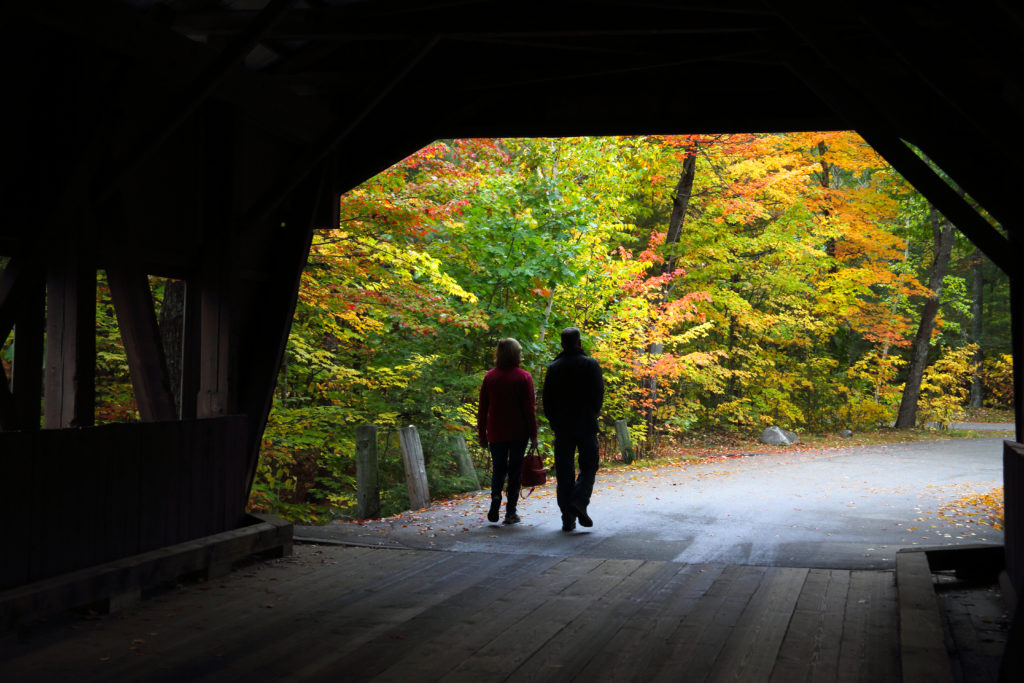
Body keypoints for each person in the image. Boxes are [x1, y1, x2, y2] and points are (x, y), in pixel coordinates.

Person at [543, 327, 604, 531]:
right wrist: (593, 413)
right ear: (579, 343)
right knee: (589, 466)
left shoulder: (554, 367)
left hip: (562, 426)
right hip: (586, 422)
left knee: (564, 471)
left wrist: (554, 421)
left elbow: (547, 400)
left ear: (562, 344)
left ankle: (567, 518)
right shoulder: (591, 365)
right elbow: (598, 394)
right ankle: (578, 501)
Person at [477, 338, 539, 525]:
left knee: (498, 469)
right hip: (518, 432)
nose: (521, 354)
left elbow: (483, 409)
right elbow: (529, 409)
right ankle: (510, 512)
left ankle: (496, 497)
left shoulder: (490, 377)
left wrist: (482, 434)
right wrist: (533, 434)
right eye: (519, 351)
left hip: (496, 431)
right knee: (515, 471)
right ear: (514, 354)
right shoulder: (523, 377)